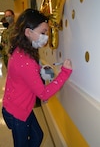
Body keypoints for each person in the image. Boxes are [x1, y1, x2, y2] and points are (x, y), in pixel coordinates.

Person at [2, 8, 72, 147]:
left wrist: (40, 70)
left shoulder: (20, 50)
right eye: (43, 32)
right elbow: (43, 93)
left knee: (38, 135)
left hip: (18, 106)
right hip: (18, 112)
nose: (46, 36)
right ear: (28, 32)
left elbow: (24, 73)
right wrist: (64, 73)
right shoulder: (25, 60)